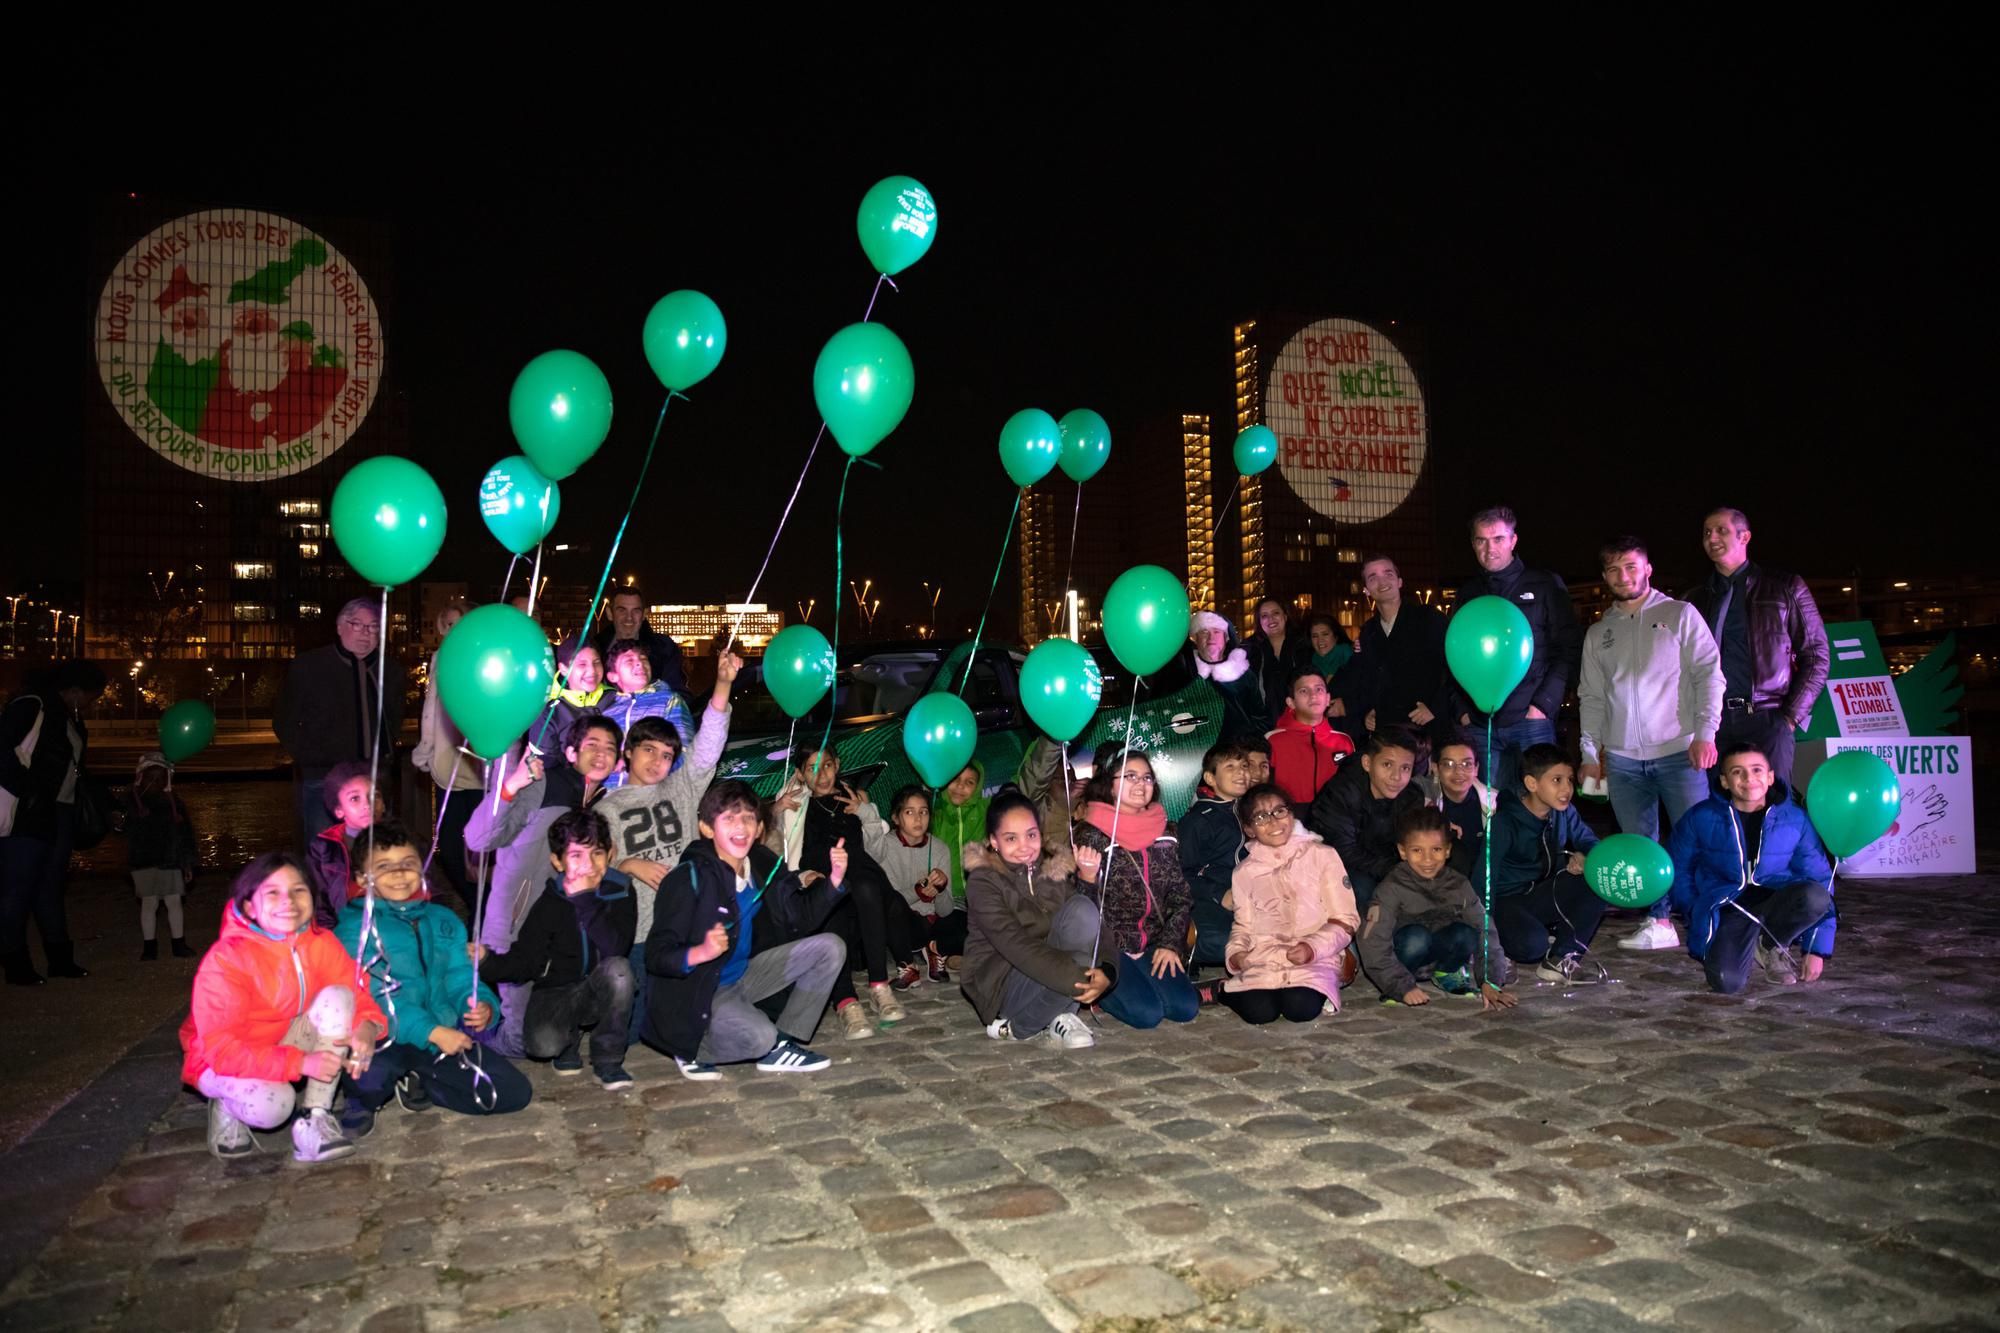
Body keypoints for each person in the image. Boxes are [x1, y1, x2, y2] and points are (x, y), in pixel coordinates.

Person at [181, 852, 388, 1163]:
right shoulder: (226, 959)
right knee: (272, 1107)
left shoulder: (320, 942)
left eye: (298, 889)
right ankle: (226, 1100)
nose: (288, 900)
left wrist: (369, 1026)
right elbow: (221, 1049)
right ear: (250, 906)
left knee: (340, 997)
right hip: (222, 1059)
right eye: (272, 892)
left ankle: (314, 1118)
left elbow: (357, 994)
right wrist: (301, 1063)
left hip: (284, 1037)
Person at [1577, 537, 1725, 954]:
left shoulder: (1680, 615)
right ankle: (1658, 920)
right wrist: (1591, 756)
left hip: (1680, 751)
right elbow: (1591, 697)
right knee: (1640, 846)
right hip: (1623, 759)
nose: (1623, 576)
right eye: (1613, 570)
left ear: (1647, 568)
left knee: (1696, 840)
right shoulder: (1598, 632)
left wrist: (1705, 734)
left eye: (1630, 566)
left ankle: (1709, 919)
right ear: (1605, 577)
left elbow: (1708, 676)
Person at [334, 822, 532, 1133]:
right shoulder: (353, 929)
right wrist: (432, 1032)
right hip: (386, 1035)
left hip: (440, 1035)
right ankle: (361, 1097)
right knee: (370, 1078)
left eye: (408, 864)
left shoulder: (444, 920)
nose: (399, 873)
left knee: (513, 1092)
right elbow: (377, 996)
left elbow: (460, 974)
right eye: (384, 866)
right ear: (362, 878)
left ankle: (424, 1079)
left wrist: (482, 1005)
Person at [644, 780, 843, 1078]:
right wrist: (699, 952)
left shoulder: (761, 863)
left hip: (744, 976)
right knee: (760, 1036)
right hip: (703, 989)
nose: (741, 826)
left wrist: (834, 881)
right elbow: (656, 954)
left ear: (760, 827)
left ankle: (783, 1044)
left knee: (830, 948)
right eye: (729, 818)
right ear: (708, 828)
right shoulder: (689, 877)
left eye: (749, 817)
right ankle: (692, 1049)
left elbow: (799, 918)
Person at [596, 650, 740, 1046]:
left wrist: (723, 683)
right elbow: (592, 871)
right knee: (635, 1031)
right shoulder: (606, 809)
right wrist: (626, 865)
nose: (658, 761)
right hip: (642, 932)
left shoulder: (681, 788)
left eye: (667, 754)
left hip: (687, 924)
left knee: (691, 1017)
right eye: (649, 750)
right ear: (628, 752)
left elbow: (709, 744)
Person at [462, 714, 626, 1055]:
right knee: (521, 1040)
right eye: (591, 745)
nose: (601, 754)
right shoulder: (543, 784)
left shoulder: (603, 803)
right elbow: (478, 838)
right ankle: (468, 1041)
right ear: (569, 752)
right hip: (516, 925)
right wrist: (511, 786)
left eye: (609, 748)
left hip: (564, 936)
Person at [476, 809, 638, 1091]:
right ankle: (568, 1042)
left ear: (610, 853)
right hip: (557, 992)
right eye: (576, 855)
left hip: (600, 988)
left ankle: (608, 1060)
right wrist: (486, 961)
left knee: (620, 972)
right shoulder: (550, 902)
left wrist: (586, 901)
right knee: (541, 1045)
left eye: (597, 853)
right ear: (557, 862)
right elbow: (525, 960)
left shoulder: (620, 890)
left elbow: (616, 947)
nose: (589, 865)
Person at [766, 745, 911, 1036]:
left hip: (859, 868)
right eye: (812, 768)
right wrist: (775, 812)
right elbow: (771, 852)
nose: (821, 775)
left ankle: (879, 985)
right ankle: (845, 1000)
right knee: (828, 895)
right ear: (800, 773)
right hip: (818, 871)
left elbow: (879, 851)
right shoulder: (794, 803)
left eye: (828, 765)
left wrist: (866, 812)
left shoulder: (854, 798)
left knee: (867, 886)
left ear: (838, 764)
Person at [1668, 744, 1835, 993]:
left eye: (1757, 770)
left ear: (1769, 777)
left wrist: (1816, 948)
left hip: (1776, 902)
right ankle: (1746, 943)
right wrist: (1696, 909)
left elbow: (1820, 877)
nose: (1749, 779)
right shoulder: (1700, 817)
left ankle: (1771, 944)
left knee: (1815, 896)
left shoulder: (1795, 819)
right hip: (1728, 907)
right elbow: (1677, 869)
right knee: (1727, 982)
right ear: (1724, 781)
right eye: (1737, 772)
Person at [1682, 507, 1830, 788]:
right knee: (1718, 817)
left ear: (1745, 536)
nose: (1712, 537)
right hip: (1711, 725)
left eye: (1721, 530)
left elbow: (1817, 655)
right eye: (1706, 532)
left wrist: (1788, 718)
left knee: (1773, 811)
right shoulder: (1693, 599)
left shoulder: (1784, 587)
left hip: (1766, 719)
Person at [961, 792, 1111, 1049]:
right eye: (1011, 838)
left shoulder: (1052, 870)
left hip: (1049, 965)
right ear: (994, 841)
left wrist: (1108, 971)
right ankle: (1019, 1027)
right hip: (1002, 978)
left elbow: (1094, 925)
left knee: (1082, 911)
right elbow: (1014, 944)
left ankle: (1059, 1015)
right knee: (1081, 965)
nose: (1024, 847)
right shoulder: (983, 881)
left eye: (1031, 835)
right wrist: (1077, 977)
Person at [1450, 509, 1582, 798]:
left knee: (1545, 803)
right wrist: (1462, 710)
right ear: (1473, 544)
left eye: (1498, 538)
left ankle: (1553, 846)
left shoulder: (1544, 584)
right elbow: (1454, 652)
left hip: (1531, 718)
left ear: (1513, 540)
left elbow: (1567, 647)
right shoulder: (1468, 594)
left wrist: (1544, 705)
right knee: (1488, 806)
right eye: (1481, 540)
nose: (1489, 548)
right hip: (1479, 723)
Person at [1072, 744, 1198, 1030]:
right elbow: (1078, 913)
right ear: (1109, 784)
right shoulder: (1091, 834)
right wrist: (1086, 877)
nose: (1140, 784)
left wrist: (1170, 944)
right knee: (1146, 1014)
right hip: (1109, 947)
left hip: (1153, 942)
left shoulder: (1166, 831)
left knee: (1184, 1008)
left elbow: (1181, 895)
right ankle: (1104, 989)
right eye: (1129, 777)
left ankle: (1142, 974)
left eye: (1146, 777)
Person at [1, 659, 106, 985]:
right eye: (91, 696)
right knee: (18, 888)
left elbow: (75, 771)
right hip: (28, 812)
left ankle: (59, 959)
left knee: (48, 886)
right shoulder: (34, 705)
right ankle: (17, 965)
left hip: (57, 811)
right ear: (74, 691)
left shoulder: (69, 718)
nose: (92, 703)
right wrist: (30, 791)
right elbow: (2, 751)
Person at [1219, 784, 1359, 1023]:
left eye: (1279, 811)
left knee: (1299, 1008)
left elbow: (1345, 920)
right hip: (1264, 958)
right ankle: (1223, 990)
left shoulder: (1322, 855)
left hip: (1315, 957)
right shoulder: (1245, 872)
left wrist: (1311, 947)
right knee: (1259, 1013)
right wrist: (1237, 955)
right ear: (1249, 829)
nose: (1274, 822)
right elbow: (1243, 925)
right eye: (1261, 817)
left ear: (1291, 814)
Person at [276, 597, 404, 853]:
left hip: (374, 778)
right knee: (325, 852)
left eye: (374, 627)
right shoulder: (309, 666)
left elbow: (394, 718)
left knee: (375, 853)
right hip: (322, 778)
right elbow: (284, 719)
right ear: (340, 626)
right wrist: (309, 756)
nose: (366, 633)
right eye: (358, 625)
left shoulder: (390, 670)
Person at [1358, 807, 1514, 1009]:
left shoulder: (1458, 884)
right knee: (1417, 938)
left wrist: (1490, 980)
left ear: (1448, 850)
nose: (1428, 860)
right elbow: (1373, 942)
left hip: (1438, 947)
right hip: (1404, 956)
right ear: (1403, 851)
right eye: (1417, 851)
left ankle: (1446, 972)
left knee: (1466, 934)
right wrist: (1400, 986)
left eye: (1436, 850)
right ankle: (1403, 982)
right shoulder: (1392, 887)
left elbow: (1485, 929)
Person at [1488, 744, 1609, 985]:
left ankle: (1561, 959)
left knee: (1598, 879)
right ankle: (1515, 938)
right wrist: (1482, 931)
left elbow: (1591, 842)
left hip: (1541, 895)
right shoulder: (1504, 822)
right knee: (1531, 946)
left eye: (1569, 780)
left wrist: (1585, 856)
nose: (1567, 789)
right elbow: (1485, 875)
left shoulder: (1564, 812)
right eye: (1557, 780)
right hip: (1506, 902)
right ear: (1532, 784)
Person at [411, 600, 484, 912]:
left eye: (462, 622)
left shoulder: (485, 660)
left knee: (482, 851)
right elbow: (432, 712)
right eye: (450, 624)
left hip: (481, 771)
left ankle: (484, 915)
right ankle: (474, 907)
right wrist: (425, 751)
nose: (456, 630)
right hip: (447, 770)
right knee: (451, 851)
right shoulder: (439, 659)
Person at [1306, 725, 1426, 914]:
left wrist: (1439, 828)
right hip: (1333, 867)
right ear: (1367, 763)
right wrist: (1395, 869)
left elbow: (1412, 842)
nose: (1396, 777)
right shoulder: (1341, 793)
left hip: (1380, 863)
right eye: (1387, 765)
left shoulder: (1411, 797)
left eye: (1405, 768)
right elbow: (1343, 852)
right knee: (1363, 887)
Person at [859, 784, 967, 983]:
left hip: (934, 924)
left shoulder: (940, 848)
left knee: (964, 917)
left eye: (924, 812)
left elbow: (945, 911)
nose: (918, 819)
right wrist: (918, 891)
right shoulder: (885, 847)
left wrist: (941, 889)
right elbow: (890, 900)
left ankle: (935, 950)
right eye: (909, 812)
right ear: (895, 818)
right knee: (892, 904)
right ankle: (907, 965)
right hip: (906, 925)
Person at [1351, 555, 1450, 745]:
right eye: (1373, 578)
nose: (1382, 581)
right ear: (1366, 590)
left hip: (1426, 730)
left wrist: (1435, 707)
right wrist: (1369, 710)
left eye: (1388, 574)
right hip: (1388, 734)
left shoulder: (1428, 618)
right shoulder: (1368, 631)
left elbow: (1455, 666)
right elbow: (1367, 679)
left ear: (1399, 581)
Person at [1182, 741, 1253, 971]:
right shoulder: (1199, 819)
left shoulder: (1256, 810)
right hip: (1214, 896)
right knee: (1225, 943)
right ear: (1210, 778)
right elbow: (1182, 874)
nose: (1241, 772)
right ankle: (1187, 952)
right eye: (1230, 767)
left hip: (1256, 893)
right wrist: (1218, 893)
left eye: (1244, 766)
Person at [600, 637, 698, 787]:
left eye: (643, 658)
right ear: (613, 676)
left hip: (653, 799)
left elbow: (684, 751)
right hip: (609, 802)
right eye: (629, 661)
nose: (639, 662)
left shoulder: (668, 701)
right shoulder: (607, 712)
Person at [128, 752, 197, 960]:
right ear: (141, 777)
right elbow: (123, 833)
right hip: (143, 862)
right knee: (149, 903)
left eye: (161, 777)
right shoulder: (132, 803)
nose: (156, 782)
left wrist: (187, 863)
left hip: (171, 861)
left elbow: (186, 835)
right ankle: (149, 947)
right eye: (151, 777)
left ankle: (179, 943)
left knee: (174, 901)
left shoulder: (174, 803)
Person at [306, 760, 383, 928]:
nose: (368, 805)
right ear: (339, 810)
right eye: (355, 799)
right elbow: (320, 905)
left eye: (374, 795)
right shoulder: (324, 848)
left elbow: (430, 891)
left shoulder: (404, 840)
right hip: (345, 932)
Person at [1265, 668, 1355, 806]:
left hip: (1333, 817)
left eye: (1319, 689)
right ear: (1291, 702)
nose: (1313, 696)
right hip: (1289, 819)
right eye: (1304, 691)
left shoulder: (1344, 742)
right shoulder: (1273, 740)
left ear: (1328, 699)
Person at [1177, 611, 1266, 743]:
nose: (1211, 638)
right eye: (1204, 632)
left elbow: (1260, 717)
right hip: (1196, 749)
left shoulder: (1243, 673)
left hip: (1237, 749)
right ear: (1195, 637)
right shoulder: (1183, 674)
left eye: (1217, 632)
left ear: (1227, 637)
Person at [1427, 730, 1495, 882]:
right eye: (1449, 764)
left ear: (1476, 768)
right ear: (1436, 768)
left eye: (1467, 764)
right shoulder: (1423, 801)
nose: (1459, 772)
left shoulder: (1494, 803)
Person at [535, 639, 608, 775]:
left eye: (596, 663)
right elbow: (544, 765)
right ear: (563, 669)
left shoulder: (613, 696)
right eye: (582, 664)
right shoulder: (549, 709)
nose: (592, 671)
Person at [596, 588, 687, 696]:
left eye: (636, 611)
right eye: (622, 610)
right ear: (610, 613)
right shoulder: (595, 649)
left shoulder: (664, 648)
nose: (629, 618)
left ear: (644, 614)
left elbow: (678, 692)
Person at [928, 760, 991, 908]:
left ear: (977, 787)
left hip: (981, 892)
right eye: (955, 779)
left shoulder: (985, 809)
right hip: (947, 895)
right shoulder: (935, 812)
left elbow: (1026, 782)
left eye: (969, 782)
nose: (960, 786)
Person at [1246, 596, 1308, 727]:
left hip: (1301, 721)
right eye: (1264, 615)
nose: (1270, 619)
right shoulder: (1249, 650)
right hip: (1263, 725)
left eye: (1276, 613)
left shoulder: (1303, 645)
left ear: (1285, 616)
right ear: (1259, 621)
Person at [1302, 614, 1359, 738]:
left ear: (1336, 636)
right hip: (1324, 733)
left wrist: (1346, 706)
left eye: (1325, 634)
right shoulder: (1310, 664)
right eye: (1315, 636)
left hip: (1352, 732)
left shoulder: (1352, 658)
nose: (1320, 640)